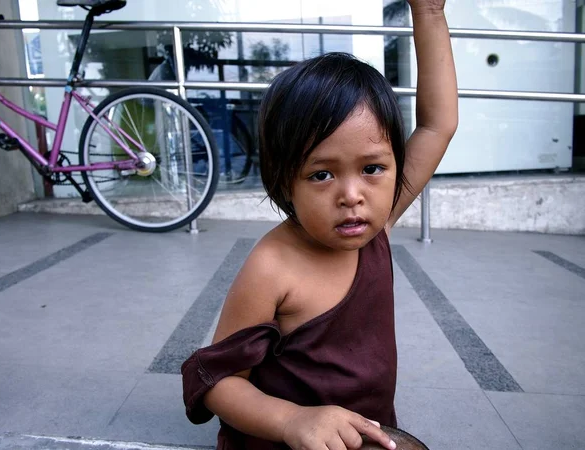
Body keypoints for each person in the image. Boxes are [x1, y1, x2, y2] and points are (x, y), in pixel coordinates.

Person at [181, 1, 458, 449]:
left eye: (372, 168)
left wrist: (428, 12)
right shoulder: (272, 267)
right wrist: (293, 421)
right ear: (284, 181)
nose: (352, 195)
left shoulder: (375, 223)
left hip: (362, 433)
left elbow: (437, 124)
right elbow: (218, 382)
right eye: (321, 174)